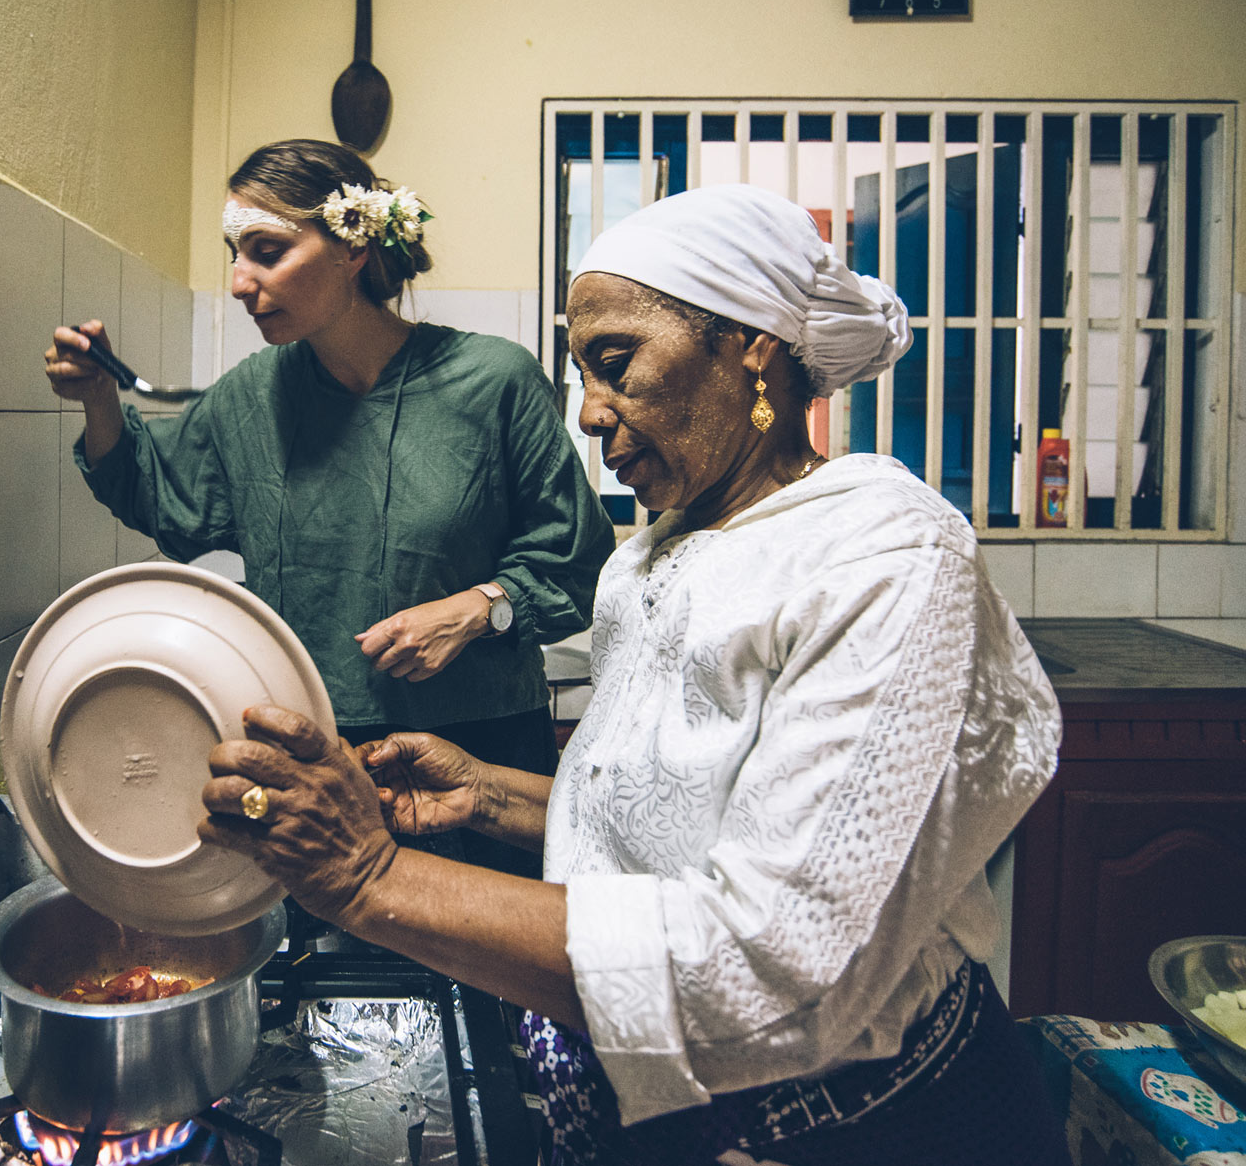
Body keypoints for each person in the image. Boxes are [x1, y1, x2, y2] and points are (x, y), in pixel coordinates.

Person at [194, 185, 1071, 1165]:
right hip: (652, 1105)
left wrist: (370, 874)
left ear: (751, 344)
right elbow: (682, 820)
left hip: (868, 1124)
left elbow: (759, 959)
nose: (589, 414)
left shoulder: (884, 553)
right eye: (581, 373)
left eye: (615, 364)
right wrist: (489, 794)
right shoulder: (655, 551)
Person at [45, 139, 611, 875]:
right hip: (314, 748)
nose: (241, 282)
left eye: (267, 250)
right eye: (234, 254)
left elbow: (578, 560)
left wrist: (478, 608)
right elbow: (162, 495)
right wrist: (97, 400)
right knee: (338, 968)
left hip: (482, 753)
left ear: (352, 248)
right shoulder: (253, 395)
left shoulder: (494, 381)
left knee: (488, 967)